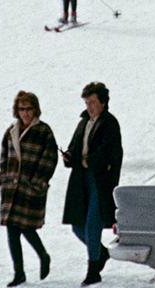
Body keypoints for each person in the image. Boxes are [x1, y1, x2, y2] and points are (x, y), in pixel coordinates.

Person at [61, 81, 122, 287]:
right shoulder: (83, 122)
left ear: (103, 102)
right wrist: (69, 157)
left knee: (92, 223)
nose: (89, 106)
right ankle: (100, 253)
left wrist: (87, 161)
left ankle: (93, 268)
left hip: (100, 180)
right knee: (77, 225)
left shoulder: (110, 124)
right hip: (81, 179)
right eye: (87, 102)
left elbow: (109, 154)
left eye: (93, 102)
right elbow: (75, 146)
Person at [0, 90, 57, 285]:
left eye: (28, 109)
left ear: (35, 109)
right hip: (12, 188)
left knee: (27, 227)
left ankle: (43, 255)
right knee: (12, 230)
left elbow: (49, 159)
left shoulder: (43, 131)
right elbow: (4, 157)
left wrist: (38, 181)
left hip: (31, 188)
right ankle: (19, 272)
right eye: (21, 109)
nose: (25, 113)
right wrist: (4, 177)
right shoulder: (11, 131)